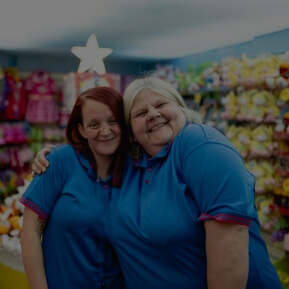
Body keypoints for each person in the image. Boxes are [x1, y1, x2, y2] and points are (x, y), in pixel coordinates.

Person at [32, 76, 282, 289]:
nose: (153, 114)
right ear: (131, 130)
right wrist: (55, 155)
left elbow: (232, 235)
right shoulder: (132, 163)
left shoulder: (198, 144)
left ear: (181, 109)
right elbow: (96, 153)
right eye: (140, 113)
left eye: (161, 104)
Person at [20, 86, 127, 289]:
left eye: (113, 121)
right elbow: (30, 232)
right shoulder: (61, 161)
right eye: (94, 124)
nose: (105, 131)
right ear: (81, 129)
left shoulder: (134, 171)